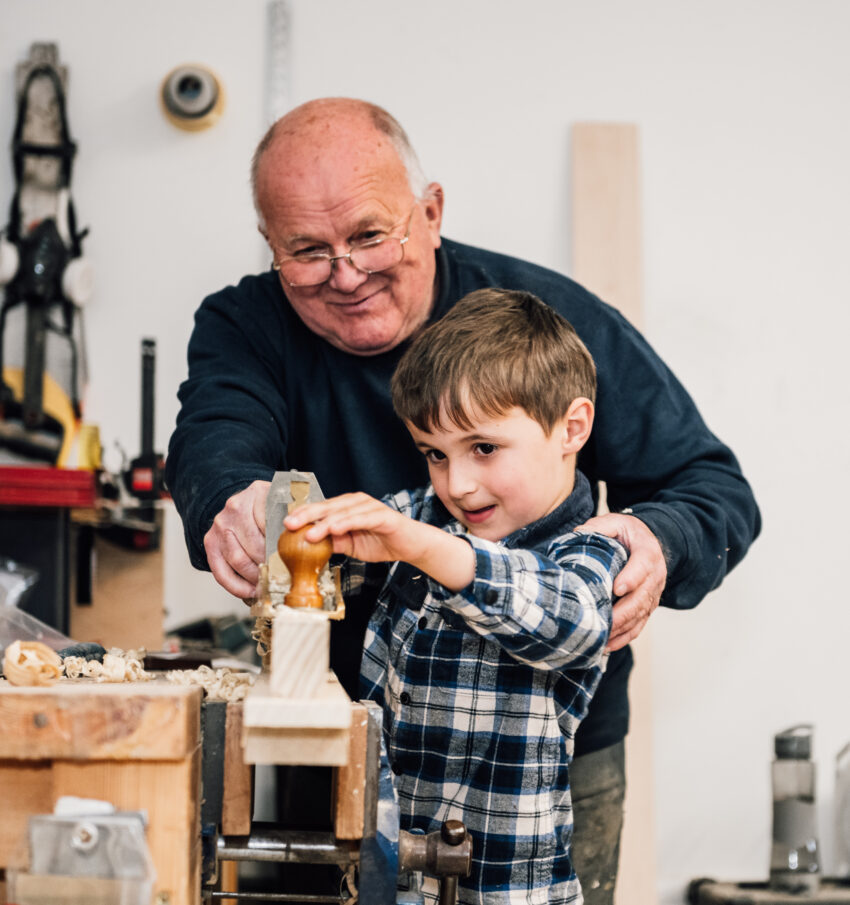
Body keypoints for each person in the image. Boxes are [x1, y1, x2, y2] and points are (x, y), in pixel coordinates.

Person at [165, 97, 761, 902]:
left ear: (431, 211)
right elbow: (214, 436)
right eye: (307, 251)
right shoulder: (246, 323)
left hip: (542, 780)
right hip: (346, 748)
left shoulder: (548, 326)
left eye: (371, 235)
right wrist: (231, 498)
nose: (346, 274)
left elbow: (713, 487)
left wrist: (657, 541)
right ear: (272, 246)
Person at [283, 288, 628, 904]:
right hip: (398, 876)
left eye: (484, 449)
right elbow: (333, 556)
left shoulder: (589, 552)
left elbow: (570, 623)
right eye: (435, 455)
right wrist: (304, 532)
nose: (459, 484)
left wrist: (420, 546)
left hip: (509, 890)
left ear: (571, 428)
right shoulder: (424, 518)